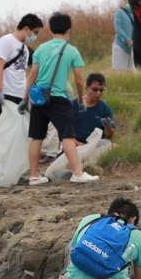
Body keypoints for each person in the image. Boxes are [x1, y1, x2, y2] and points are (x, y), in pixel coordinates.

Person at [26, 12, 100, 186]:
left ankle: (34, 176)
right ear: (69, 29)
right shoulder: (71, 50)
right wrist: (80, 99)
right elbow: (79, 79)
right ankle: (77, 173)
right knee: (67, 136)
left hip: (39, 99)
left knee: (37, 137)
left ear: (50, 29)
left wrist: (25, 98)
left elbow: (31, 75)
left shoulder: (41, 49)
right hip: (59, 98)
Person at [45, 73, 117, 182]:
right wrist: (77, 143)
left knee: (110, 145)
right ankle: (77, 170)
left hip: (93, 146)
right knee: (53, 171)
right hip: (74, 146)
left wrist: (108, 128)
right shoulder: (73, 105)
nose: (98, 93)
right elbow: (63, 132)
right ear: (86, 88)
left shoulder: (105, 109)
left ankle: (83, 168)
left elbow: (109, 136)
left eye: (101, 90)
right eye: (95, 89)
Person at [0, 14, 43, 120]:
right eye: (35, 32)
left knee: (18, 131)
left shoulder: (25, 48)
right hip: (5, 94)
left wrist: (26, 95)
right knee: (5, 129)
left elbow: (21, 73)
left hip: (19, 95)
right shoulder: (6, 41)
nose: (35, 36)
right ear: (27, 28)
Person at [112, 0, 135, 71]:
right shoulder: (119, 12)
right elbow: (118, 28)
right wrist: (127, 39)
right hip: (120, 47)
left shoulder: (134, 14)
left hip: (131, 49)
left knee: (131, 75)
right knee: (120, 73)